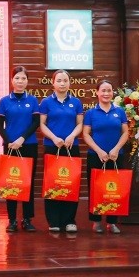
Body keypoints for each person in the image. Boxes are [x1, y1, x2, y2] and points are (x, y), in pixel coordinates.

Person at [0, 66, 40, 232]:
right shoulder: (4, 101)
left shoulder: (33, 100)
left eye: (23, 78)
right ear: (11, 80)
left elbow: (35, 123)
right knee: (11, 183)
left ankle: (27, 219)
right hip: (10, 147)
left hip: (29, 145)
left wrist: (22, 139)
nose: (20, 81)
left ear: (27, 81)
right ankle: (12, 220)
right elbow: (0, 126)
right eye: (17, 78)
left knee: (28, 182)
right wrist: (9, 142)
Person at [39, 69, 83, 233]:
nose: (62, 83)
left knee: (70, 182)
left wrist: (72, 136)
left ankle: (69, 220)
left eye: (65, 80)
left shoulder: (76, 102)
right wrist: (54, 138)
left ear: (70, 83)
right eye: (59, 80)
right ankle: (54, 220)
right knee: (53, 183)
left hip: (71, 147)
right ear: (53, 83)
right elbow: (42, 124)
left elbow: (80, 123)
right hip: (52, 147)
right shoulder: (46, 102)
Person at [82, 79, 128, 234]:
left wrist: (116, 149)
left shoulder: (119, 111)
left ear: (112, 93)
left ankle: (112, 222)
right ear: (97, 92)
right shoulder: (91, 113)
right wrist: (99, 151)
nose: (106, 93)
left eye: (109, 90)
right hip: (96, 156)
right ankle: (96, 221)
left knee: (114, 189)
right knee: (96, 188)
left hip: (116, 156)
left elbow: (125, 132)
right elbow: (86, 134)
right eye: (103, 90)